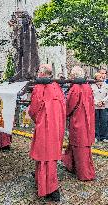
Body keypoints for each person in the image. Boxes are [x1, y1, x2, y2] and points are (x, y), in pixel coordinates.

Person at [28, 64, 66, 202]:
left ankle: (50, 188)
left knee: (45, 156)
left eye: (38, 71)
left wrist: (36, 119)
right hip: (56, 126)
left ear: (42, 73)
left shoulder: (39, 87)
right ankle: (40, 177)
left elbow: (33, 109)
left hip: (45, 126)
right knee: (50, 156)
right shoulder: (57, 87)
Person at [62, 66, 96, 181]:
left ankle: (85, 173)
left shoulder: (75, 88)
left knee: (79, 146)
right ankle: (70, 164)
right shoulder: (88, 87)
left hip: (78, 121)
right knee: (78, 145)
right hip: (88, 121)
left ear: (74, 76)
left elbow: (69, 105)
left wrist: (63, 113)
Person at [91, 72, 108, 142]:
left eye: (101, 78)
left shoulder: (106, 85)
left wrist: (103, 101)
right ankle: (96, 136)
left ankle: (104, 137)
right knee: (96, 121)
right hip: (96, 106)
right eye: (99, 78)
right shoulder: (92, 86)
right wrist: (97, 102)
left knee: (104, 121)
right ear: (96, 79)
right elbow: (91, 96)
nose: (101, 79)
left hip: (104, 105)